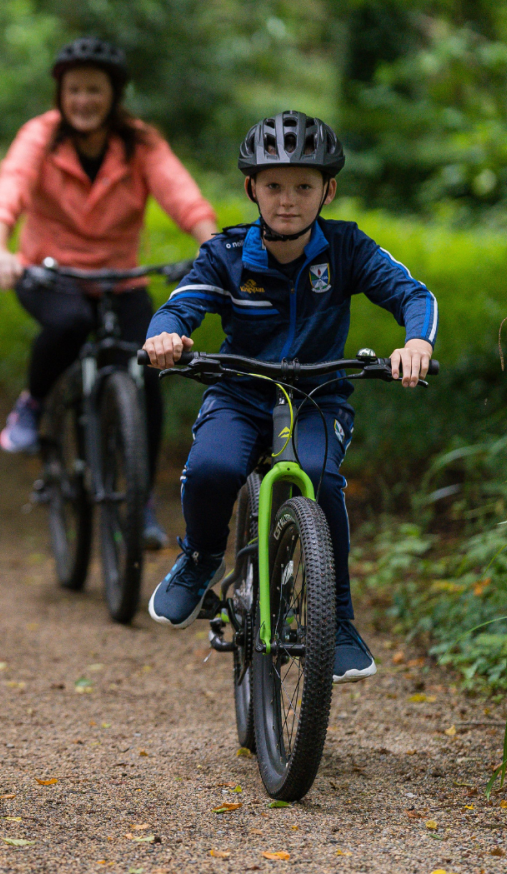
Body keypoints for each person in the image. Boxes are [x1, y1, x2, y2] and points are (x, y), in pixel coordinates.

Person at [141, 110, 436, 683]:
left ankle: (340, 619)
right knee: (212, 469)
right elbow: (180, 306)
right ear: (251, 188)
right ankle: (200, 558)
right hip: (240, 393)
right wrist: (167, 335)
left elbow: (412, 294)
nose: (288, 200)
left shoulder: (347, 249)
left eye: (304, 186)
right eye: (274, 186)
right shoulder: (226, 253)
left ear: (328, 190)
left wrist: (416, 341)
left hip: (319, 397)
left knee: (319, 479)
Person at [0, 36, 219, 549]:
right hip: (50, 274)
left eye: (95, 90)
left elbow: (181, 193)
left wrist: (211, 245)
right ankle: (34, 404)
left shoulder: (139, 141)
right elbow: (9, 188)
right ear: (60, 94)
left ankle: (142, 502)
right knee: (67, 325)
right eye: (74, 90)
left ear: (115, 94)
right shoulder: (40, 137)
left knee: (147, 369)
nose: (84, 100)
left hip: (121, 278)